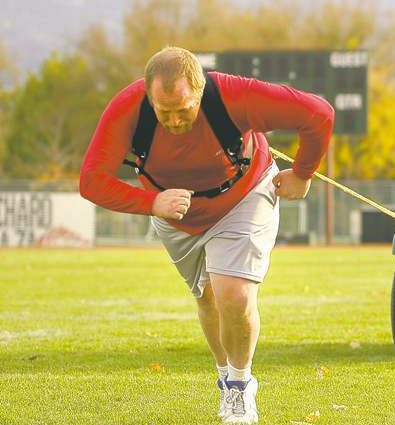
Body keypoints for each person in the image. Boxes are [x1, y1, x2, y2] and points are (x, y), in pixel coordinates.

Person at [79, 46, 334, 424]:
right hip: (175, 213)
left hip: (243, 195)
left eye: (184, 110)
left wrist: (303, 172)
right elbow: (91, 182)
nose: (175, 120)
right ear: (149, 96)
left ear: (200, 90)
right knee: (208, 299)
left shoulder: (236, 95)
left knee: (234, 293)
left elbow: (318, 113)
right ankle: (224, 374)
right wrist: (152, 203)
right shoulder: (127, 108)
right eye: (164, 112)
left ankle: (239, 386)